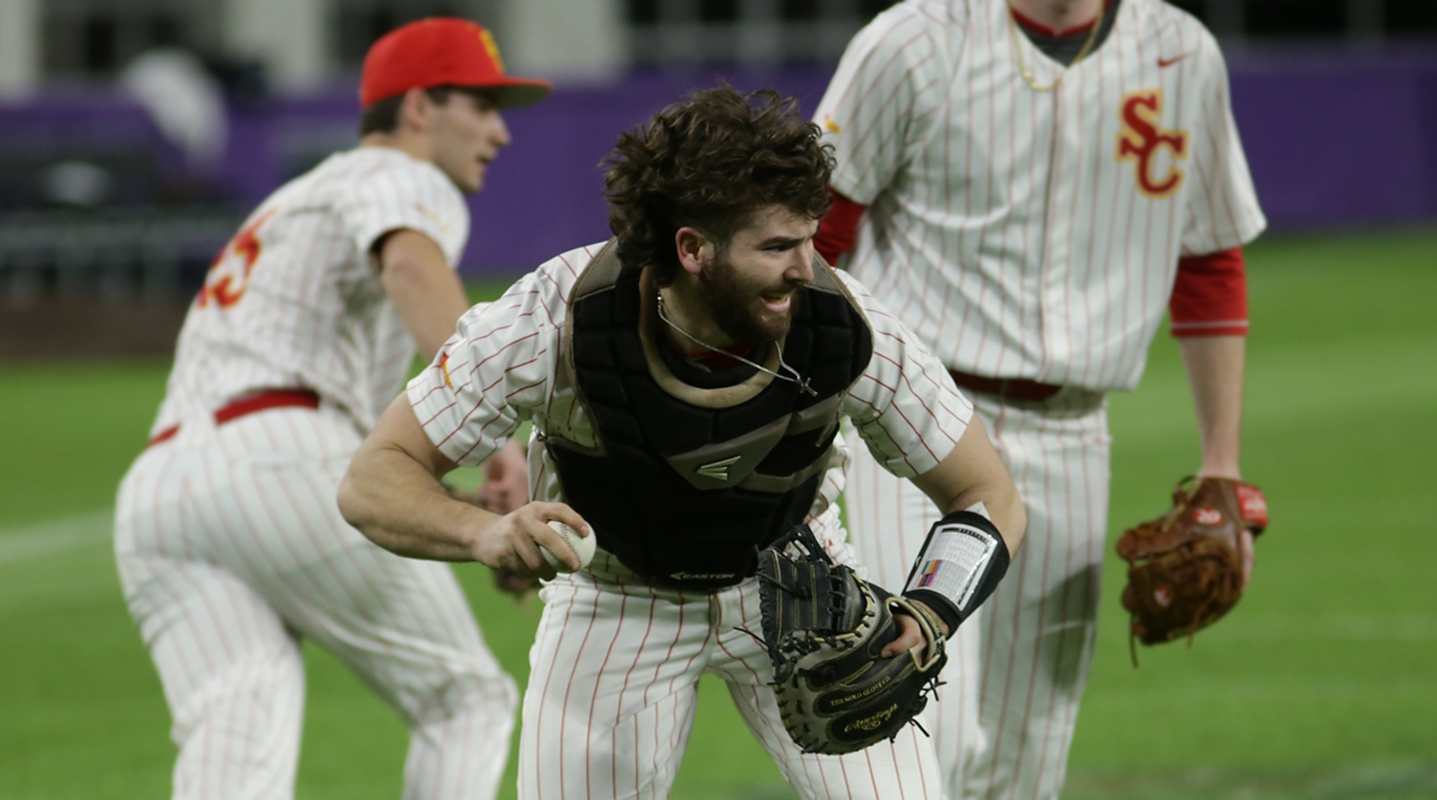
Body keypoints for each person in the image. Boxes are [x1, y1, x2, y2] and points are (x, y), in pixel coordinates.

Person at [337, 86, 1030, 800]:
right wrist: (482, 531)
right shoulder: (552, 321)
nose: (807, 266)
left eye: (810, 238)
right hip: (614, 597)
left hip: (797, 588)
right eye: (777, 246)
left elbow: (989, 493)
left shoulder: (847, 328)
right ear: (692, 249)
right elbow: (373, 480)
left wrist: (929, 611)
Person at [809, 0, 1267, 798]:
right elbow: (813, 237)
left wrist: (1221, 467)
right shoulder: (914, 40)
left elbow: (1208, 264)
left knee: (1032, 748)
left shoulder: (1181, 52)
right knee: (917, 720)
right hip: (915, 427)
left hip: (1072, 434)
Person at [112, 18, 547, 800]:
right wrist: (496, 439)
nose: (500, 131)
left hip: (160, 493)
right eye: (481, 106)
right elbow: (411, 262)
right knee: (465, 699)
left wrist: (451, 502)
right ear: (419, 108)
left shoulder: (292, 201)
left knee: (235, 728)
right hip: (279, 454)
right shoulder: (404, 176)